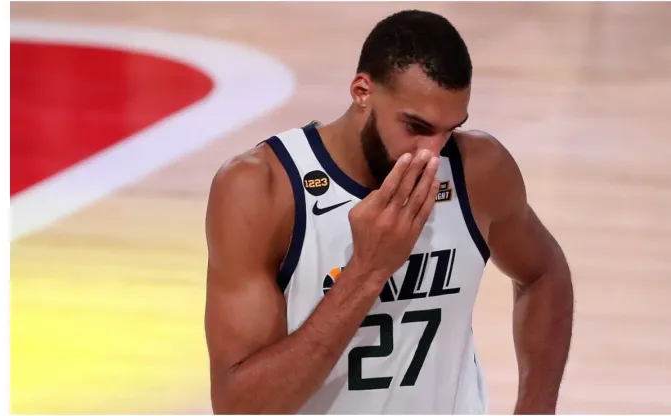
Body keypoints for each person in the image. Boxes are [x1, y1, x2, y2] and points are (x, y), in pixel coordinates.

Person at [204, 9, 573, 415]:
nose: (432, 154)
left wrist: (536, 407)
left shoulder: (478, 170)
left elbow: (544, 273)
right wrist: (367, 271)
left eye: (448, 130)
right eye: (416, 127)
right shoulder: (263, 189)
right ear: (363, 91)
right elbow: (239, 407)